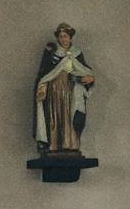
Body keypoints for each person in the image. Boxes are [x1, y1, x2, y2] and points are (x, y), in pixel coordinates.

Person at [33, 23, 97, 154]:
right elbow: (45, 73)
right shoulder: (53, 54)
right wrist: (42, 87)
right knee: (54, 115)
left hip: (70, 89)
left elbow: (85, 71)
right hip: (54, 89)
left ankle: (70, 143)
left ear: (71, 38)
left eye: (66, 36)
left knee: (69, 114)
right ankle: (54, 144)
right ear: (58, 38)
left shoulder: (76, 53)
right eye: (61, 36)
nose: (63, 39)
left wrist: (86, 79)